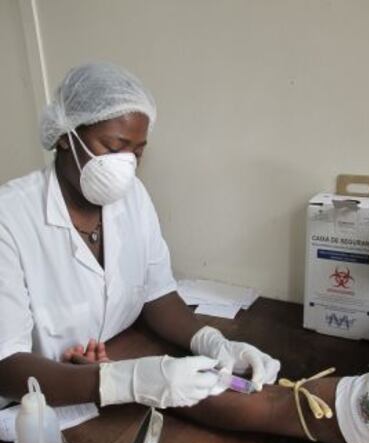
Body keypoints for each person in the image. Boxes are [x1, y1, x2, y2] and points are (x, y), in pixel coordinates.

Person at [0, 61, 279, 411]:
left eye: (138, 152)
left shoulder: (134, 197)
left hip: (105, 367)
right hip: (30, 412)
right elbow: (6, 367)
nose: (126, 165)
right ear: (64, 136)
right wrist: (127, 381)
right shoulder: (9, 219)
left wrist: (211, 342)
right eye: (113, 147)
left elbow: (157, 294)